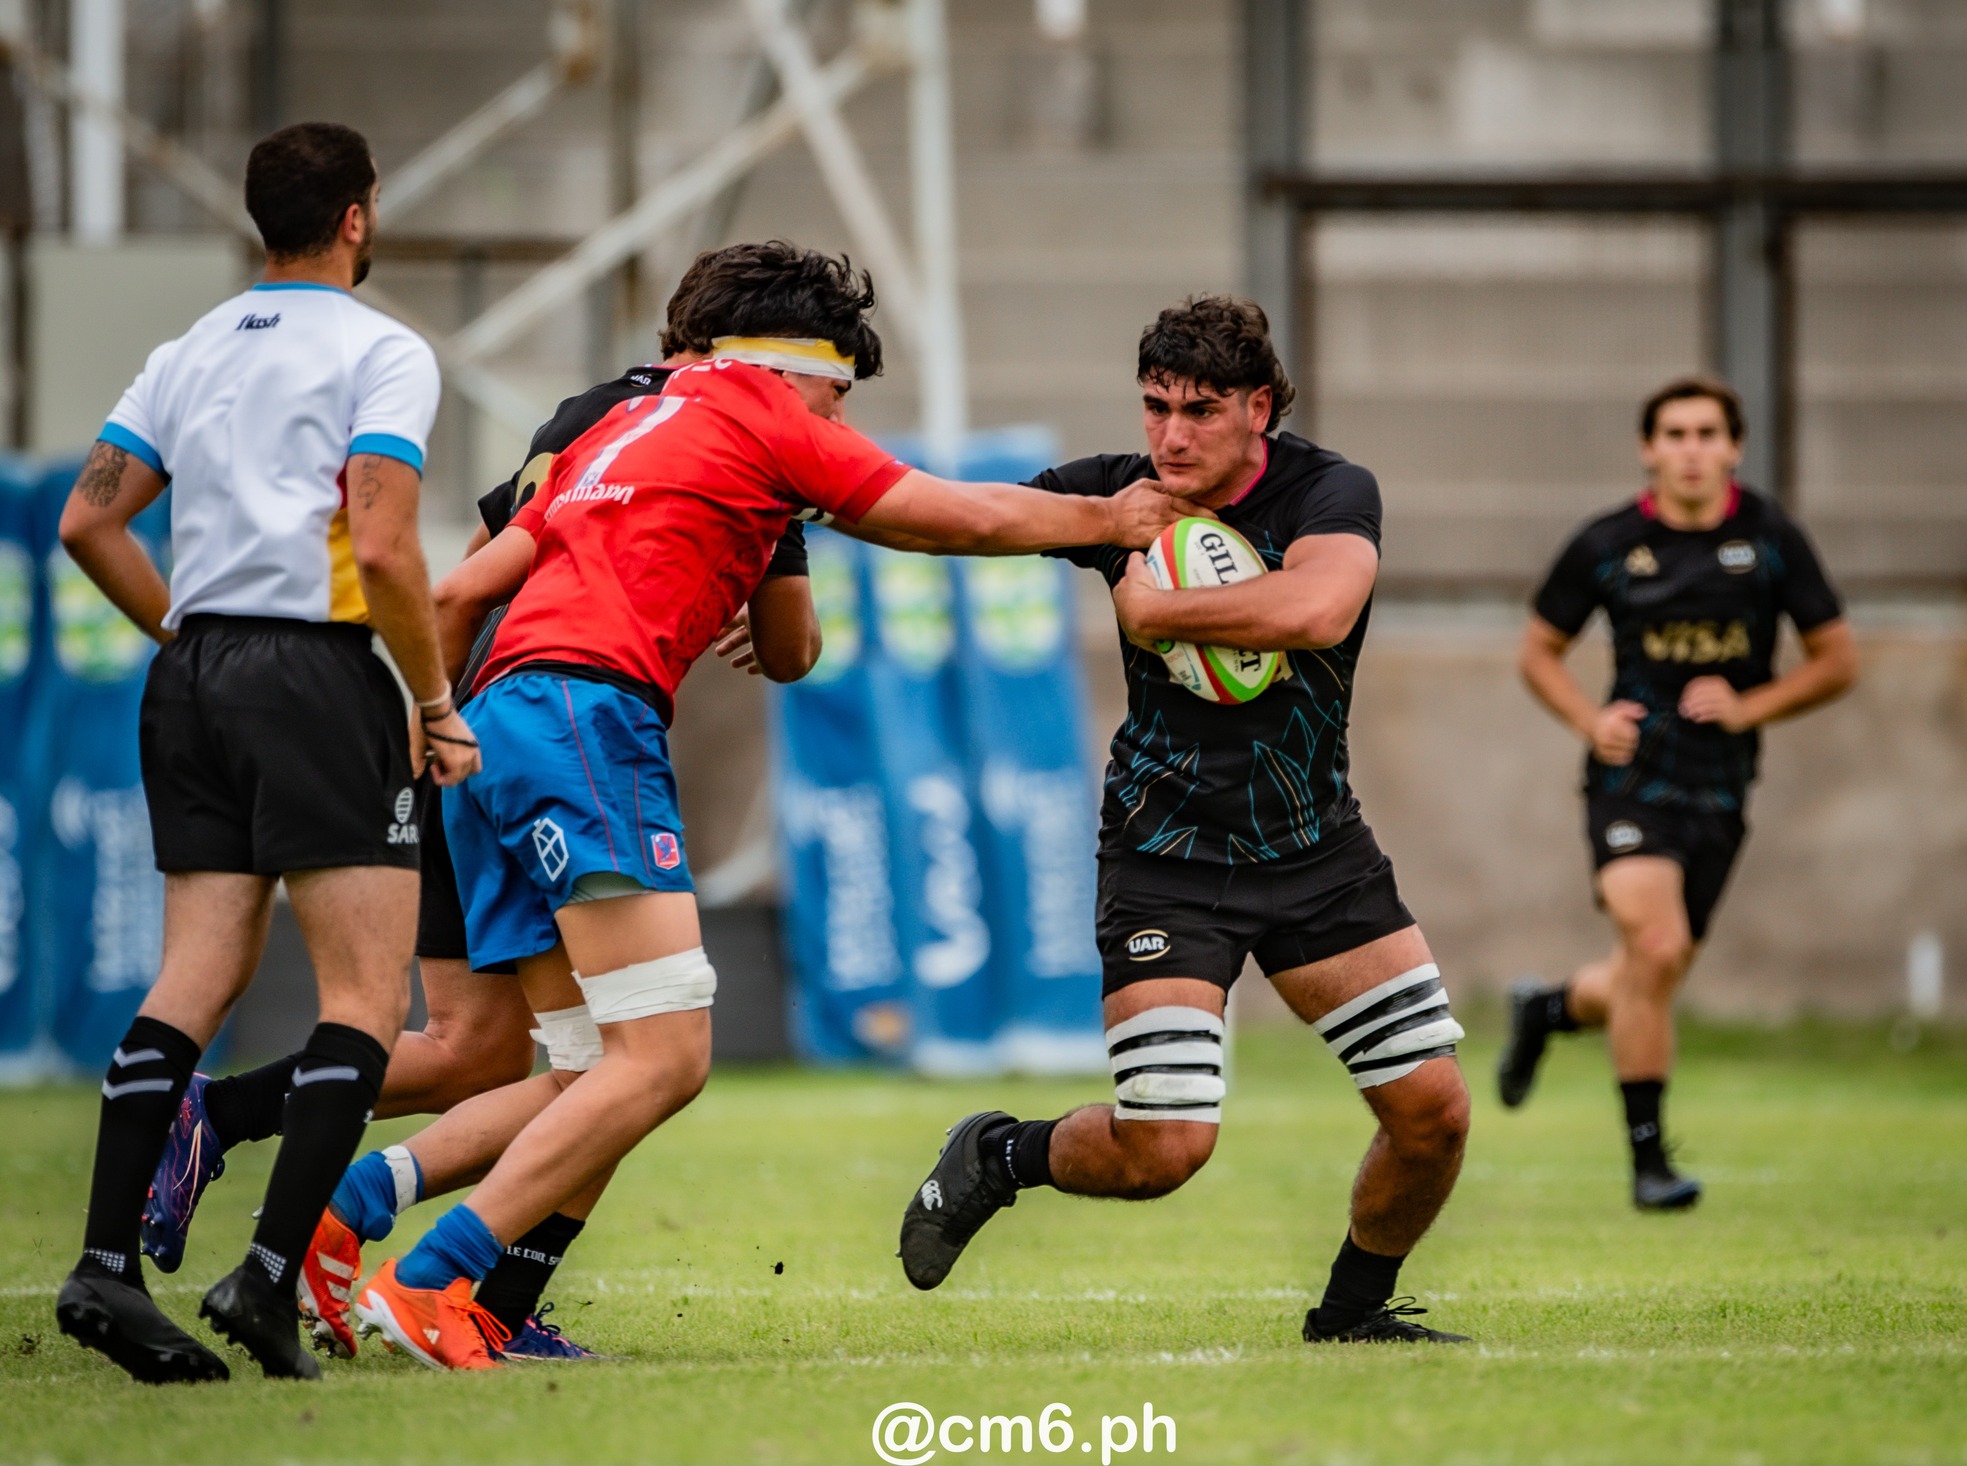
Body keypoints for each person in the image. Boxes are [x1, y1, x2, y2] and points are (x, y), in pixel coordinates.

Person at [348, 240, 1195, 1369]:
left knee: (579, 1064)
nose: (839, 416)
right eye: (840, 390)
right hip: (586, 722)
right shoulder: (761, 409)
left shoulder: (611, 431)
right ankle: (427, 1278)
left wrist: (436, 728)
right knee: (662, 1058)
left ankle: (347, 1214)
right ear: (795, 364)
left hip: (492, 725)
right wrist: (1104, 519)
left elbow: (456, 586)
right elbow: (944, 516)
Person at [137, 319, 816, 1362]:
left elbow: (472, 565)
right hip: (546, 736)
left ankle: (240, 1130)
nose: (834, 414)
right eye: (833, 387)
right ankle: (458, 1280)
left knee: (488, 1047)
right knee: (624, 1051)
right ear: (765, 361)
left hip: (466, 721)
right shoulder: (735, 439)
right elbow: (790, 648)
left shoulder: (589, 416)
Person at [891, 295, 1474, 1346]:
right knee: (1163, 1151)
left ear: (1258, 407)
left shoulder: (1327, 489)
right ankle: (998, 1154)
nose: (1170, 433)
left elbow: (1315, 610)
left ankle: (1349, 1314)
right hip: (1166, 855)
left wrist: (1155, 608)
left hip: (1312, 848)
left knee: (1432, 1114)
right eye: (1155, 405)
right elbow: (961, 515)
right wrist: (776, 555)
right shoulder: (1123, 493)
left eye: (1199, 409)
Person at [51, 122, 478, 1382]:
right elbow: (387, 543)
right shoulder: (380, 348)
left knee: (193, 976)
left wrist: (184, 626)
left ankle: (106, 1270)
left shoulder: (186, 352)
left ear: (260, 221)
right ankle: (266, 1278)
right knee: (363, 999)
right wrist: (433, 695)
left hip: (189, 677)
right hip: (315, 670)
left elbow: (90, 516)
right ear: (359, 215)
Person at [1498, 376, 1858, 1209]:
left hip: (1722, 790)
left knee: (1649, 971)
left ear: (1733, 447)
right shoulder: (1608, 542)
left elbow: (1838, 661)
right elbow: (1537, 652)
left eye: (1707, 434)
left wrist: (1750, 707)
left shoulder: (1770, 538)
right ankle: (1650, 1164)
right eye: (1675, 434)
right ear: (1648, 448)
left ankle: (1550, 1009)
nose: (1691, 450)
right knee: (1656, 952)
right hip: (1630, 783)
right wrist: (1591, 722)